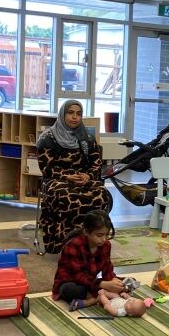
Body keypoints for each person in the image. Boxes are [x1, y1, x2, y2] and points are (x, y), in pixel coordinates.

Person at [37, 99, 111, 254]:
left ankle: (92, 241)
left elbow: (96, 163)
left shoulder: (87, 138)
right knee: (67, 197)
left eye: (78, 113)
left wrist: (88, 176)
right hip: (57, 180)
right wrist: (68, 176)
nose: (75, 117)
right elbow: (46, 168)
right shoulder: (47, 138)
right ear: (63, 114)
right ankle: (66, 243)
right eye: (70, 113)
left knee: (101, 194)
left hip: (83, 179)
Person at [51, 210, 124, 311]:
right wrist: (102, 284)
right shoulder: (74, 245)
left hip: (91, 283)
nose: (104, 239)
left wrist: (112, 281)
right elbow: (78, 275)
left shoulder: (105, 245)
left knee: (127, 283)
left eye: (107, 234)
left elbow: (107, 268)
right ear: (86, 232)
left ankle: (96, 297)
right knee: (73, 291)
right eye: (99, 235)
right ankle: (98, 297)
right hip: (72, 281)